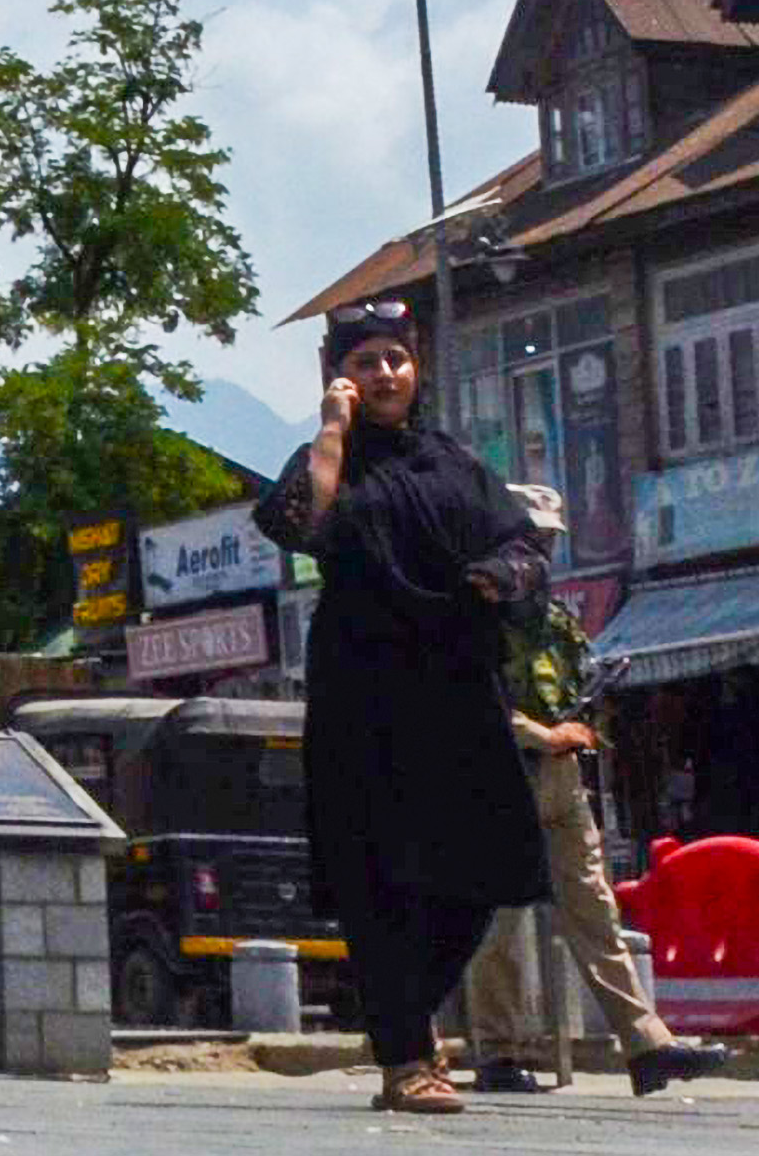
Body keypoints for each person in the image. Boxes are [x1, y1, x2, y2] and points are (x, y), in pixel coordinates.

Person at [257, 299, 549, 1114]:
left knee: (488, 865)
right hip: (363, 696)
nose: (383, 374)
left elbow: (526, 542)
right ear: (338, 375)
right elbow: (304, 521)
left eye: (395, 358)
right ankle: (407, 1055)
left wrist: (500, 574)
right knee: (378, 876)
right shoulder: (331, 459)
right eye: (364, 362)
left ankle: (398, 1018)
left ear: (416, 367)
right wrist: (331, 426)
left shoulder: (455, 462)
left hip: (455, 687)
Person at [452, 482, 713, 1100]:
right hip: (497, 776)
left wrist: (572, 732)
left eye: (544, 539)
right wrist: (543, 733)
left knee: (596, 912)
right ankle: (502, 1054)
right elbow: (464, 705)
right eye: (527, 536)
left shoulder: (554, 620)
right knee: (504, 926)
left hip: (561, 779)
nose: (536, 550)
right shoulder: (468, 615)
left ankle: (647, 1044)